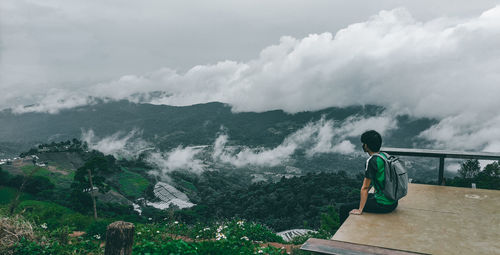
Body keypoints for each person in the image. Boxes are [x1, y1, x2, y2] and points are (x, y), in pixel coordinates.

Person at [339, 130, 398, 225]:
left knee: (344, 208)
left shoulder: (372, 161)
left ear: (366, 145)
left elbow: (365, 188)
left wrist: (360, 210)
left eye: (363, 143)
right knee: (352, 198)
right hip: (393, 202)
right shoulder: (384, 156)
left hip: (383, 205)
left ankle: (341, 237)